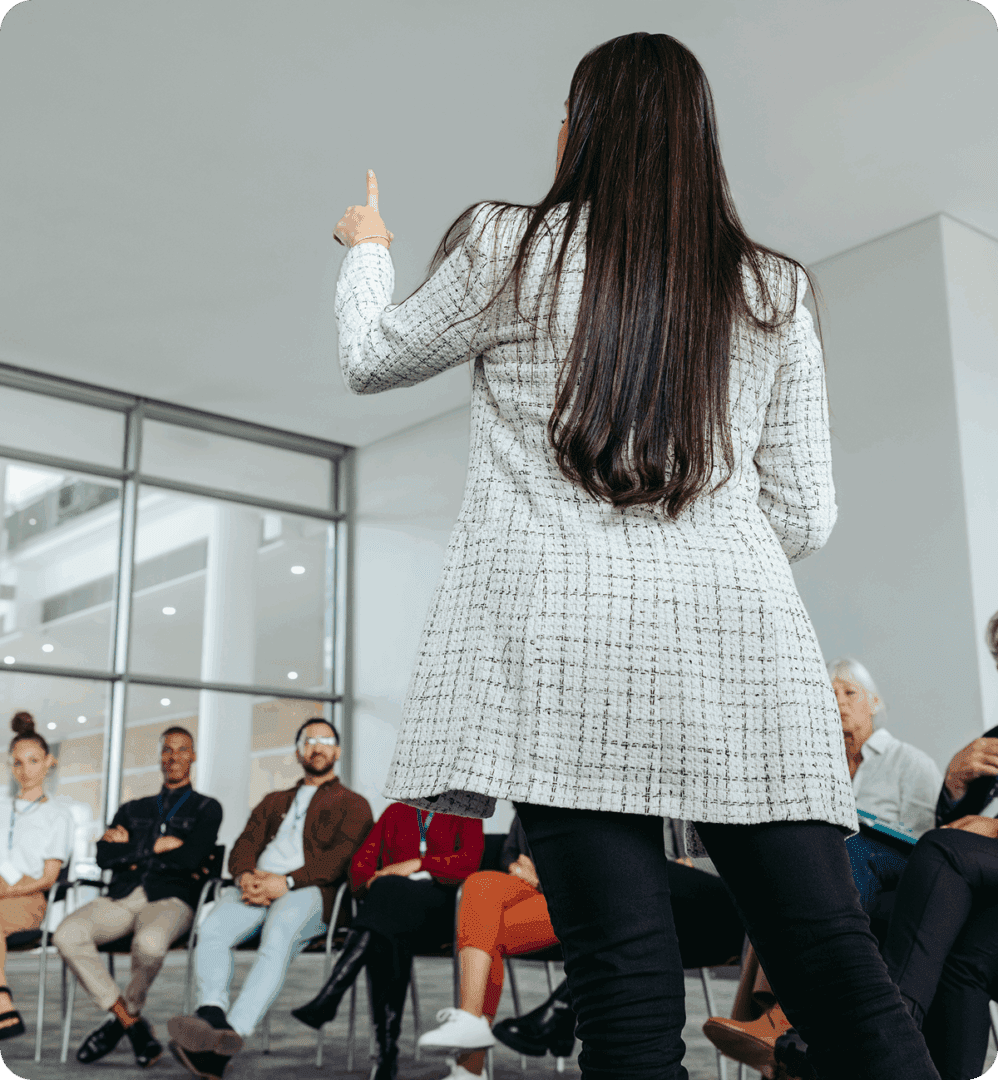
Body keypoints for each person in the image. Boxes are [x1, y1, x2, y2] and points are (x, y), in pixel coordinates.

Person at [330, 30, 942, 1079]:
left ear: (579, 129)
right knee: (836, 964)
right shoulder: (772, 288)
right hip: (740, 646)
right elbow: (805, 511)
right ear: (700, 144)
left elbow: (370, 356)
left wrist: (366, 243)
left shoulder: (505, 244)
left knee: (621, 976)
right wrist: (705, 551)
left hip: (563, 655)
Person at [702, 656, 943, 1075]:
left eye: (850, 692)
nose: (840, 701)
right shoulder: (818, 763)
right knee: (784, 877)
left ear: (874, 702)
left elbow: (924, 837)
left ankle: (779, 1016)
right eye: (830, 693)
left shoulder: (909, 761)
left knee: (838, 855)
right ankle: (773, 1028)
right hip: (848, 864)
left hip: (898, 862)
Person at [418, 815, 746, 1079]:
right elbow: (511, 848)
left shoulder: (664, 806)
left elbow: (677, 865)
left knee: (485, 932)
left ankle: (469, 1068)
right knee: (480, 886)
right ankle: (469, 1020)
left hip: (599, 900)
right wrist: (518, 866)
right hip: (537, 889)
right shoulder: (546, 795)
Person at [167, 718, 372, 1080]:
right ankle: (212, 1012)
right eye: (309, 741)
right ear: (298, 752)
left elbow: (341, 858)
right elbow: (244, 845)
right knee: (212, 928)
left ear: (337, 751)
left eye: (326, 740)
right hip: (256, 886)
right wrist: (246, 876)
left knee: (278, 939)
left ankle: (233, 1034)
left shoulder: (353, 804)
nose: (317, 746)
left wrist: (288, 881)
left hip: (310, 891)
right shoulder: (273, 800)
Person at [53, 726, 222, 1069]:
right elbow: (103, 856)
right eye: (167, 750)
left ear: (193, 756)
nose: (174, 757)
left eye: (182, 750)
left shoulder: (207, 808)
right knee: (66, 935)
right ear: (160, 757)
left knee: (149, 944)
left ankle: (122, 1019)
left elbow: (191, 859)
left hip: (171, 900)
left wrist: (130, 849)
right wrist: (156, 846)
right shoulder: (132, 808)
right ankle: (132, 1024)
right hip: (122, 897)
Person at [879, 611, 998, 1080]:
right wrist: (951, 783)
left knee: (941, 851)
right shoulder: (992, 743)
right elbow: (954, 824)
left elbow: (956, 842)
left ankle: (885, 1034)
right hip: (985, 890)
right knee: (954, 954)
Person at [290, 800, 484, 1079]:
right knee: (385, 926)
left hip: (442, 910)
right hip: (393, 914)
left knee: (386, 900)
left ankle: (336, 1001)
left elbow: (469, 862)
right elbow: (360, 866)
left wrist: (417, 864)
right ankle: (385, 1053)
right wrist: (373, 880)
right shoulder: (397, 812)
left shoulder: (466, 811)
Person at [0, 713, 74, 1040]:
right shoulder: (1, 808)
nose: (24, 769)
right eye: (17, 762)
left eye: (32, 761)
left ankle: (2, 999)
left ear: (49, 762)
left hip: (27, 898)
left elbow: (48, 878)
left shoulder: (58, 815)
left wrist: (6, 893)